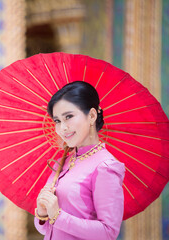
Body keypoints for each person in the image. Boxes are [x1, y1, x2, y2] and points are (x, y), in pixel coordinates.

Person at [34, 81, 125, 240]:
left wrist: (57, 215)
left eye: (68, 117)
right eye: (57, 121)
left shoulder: (105, 166)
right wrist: (42, 213)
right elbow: (48, 230)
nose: (62, 128)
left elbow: (108, 232)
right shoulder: (63, 163)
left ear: (91, 115)